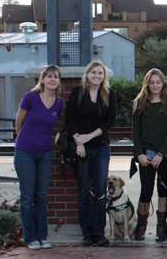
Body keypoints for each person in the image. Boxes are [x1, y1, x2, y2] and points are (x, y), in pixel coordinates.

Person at [65, 61, 117, 246]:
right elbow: (69, 119)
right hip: (80, 149)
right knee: (84, 192)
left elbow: (109, 121)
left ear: (104, 76)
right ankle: (87, 233)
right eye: (93, 72)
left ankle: (99, 232)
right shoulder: (76, 93)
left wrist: (89, 137)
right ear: (87, 74)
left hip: (101, 147)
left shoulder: (110, 94)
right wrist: (79, 142)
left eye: (100, 73)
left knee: (101, 192)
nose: (97, 76)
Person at [14, 65, 64, 250]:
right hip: (25, 152)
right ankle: (30, 238)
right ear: (42, 79)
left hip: (45, 154)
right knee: (27, 197)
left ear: (58, 81)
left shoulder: (58, 102)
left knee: (41, 197)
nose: (52, 79)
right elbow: (18, 121)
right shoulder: (30, 97)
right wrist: (21, 140)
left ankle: (42, 237)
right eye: (49, 76)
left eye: (56, 77)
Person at [132, 68, 167, 242]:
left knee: (162, 188)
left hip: (166, 153)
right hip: (146, 153)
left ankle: (161, 226)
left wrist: (161, 153)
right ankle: (142, 226)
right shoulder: (139, 103)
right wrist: (139, 154)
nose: (155, 85)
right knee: (146, 190)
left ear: (163, 83)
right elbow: (135, 132)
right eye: (151, 82)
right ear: (147, 84)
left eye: (158, 82)